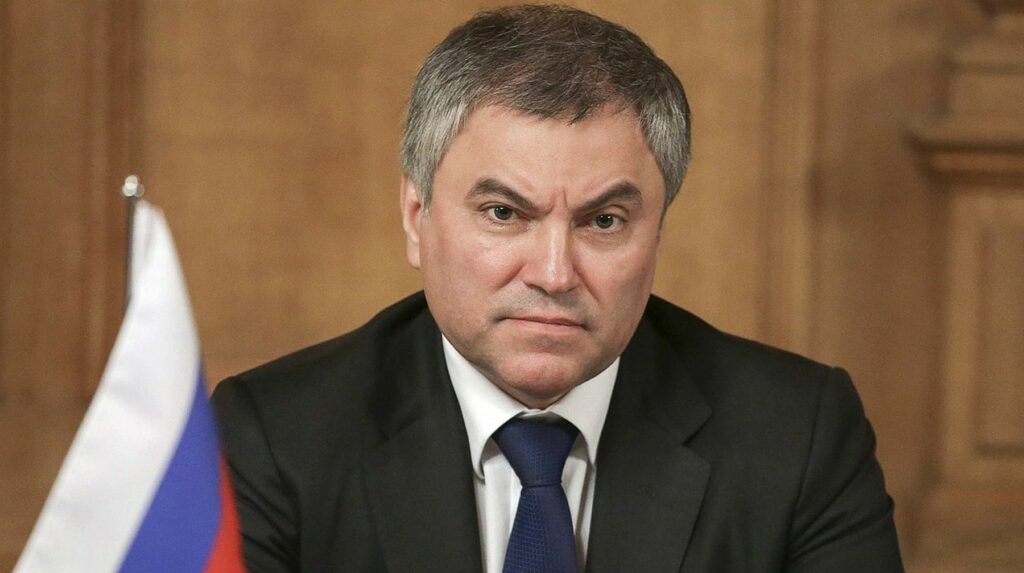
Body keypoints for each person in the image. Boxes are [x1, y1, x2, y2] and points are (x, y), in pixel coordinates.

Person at [211, 5, 904, 572]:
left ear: (658, 233)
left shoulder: (798, 435)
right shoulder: (275, 440)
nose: (552, 273)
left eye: (604, 221)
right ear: (417, 217)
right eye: (503, 213)